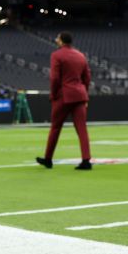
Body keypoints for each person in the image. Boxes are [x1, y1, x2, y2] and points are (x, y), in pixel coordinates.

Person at [36, 32, 92, 171]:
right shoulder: (80, 55)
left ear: (61, 41)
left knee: (55, 128)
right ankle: (86, 160)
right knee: (82, 129)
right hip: (79, 95)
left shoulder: (57, 55)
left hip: (63, 96)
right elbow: (87, 78)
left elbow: (54, 78)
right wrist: (85, 94)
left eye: (57, 38)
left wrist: (53, 95)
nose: (56, 40)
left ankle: (48, 159)